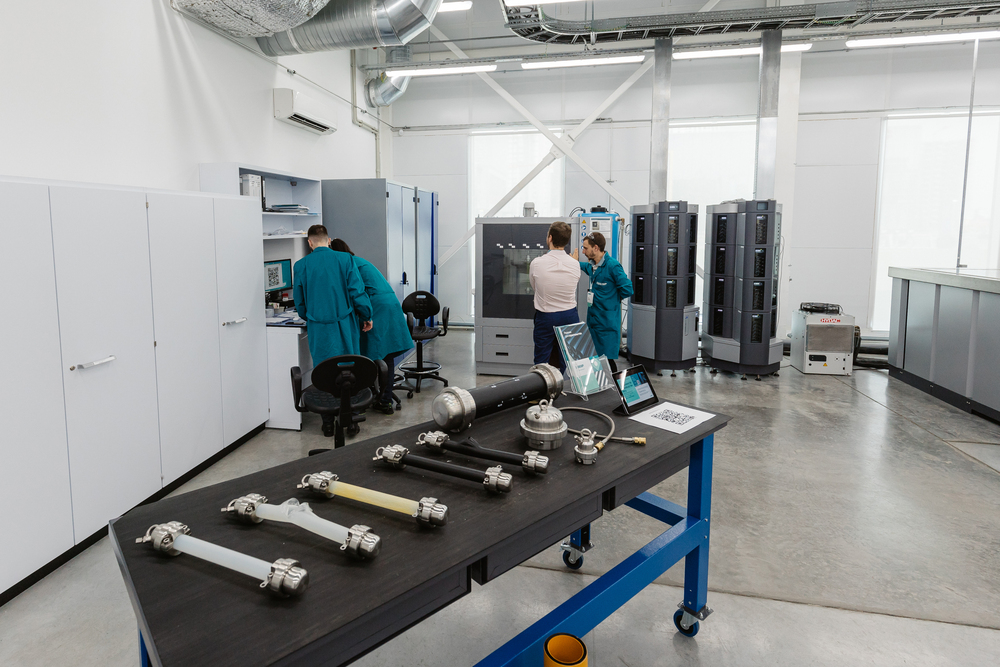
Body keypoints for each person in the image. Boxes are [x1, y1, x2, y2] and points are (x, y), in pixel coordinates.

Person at [329, 238, 413, 414]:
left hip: (377, 307)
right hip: (390, 304)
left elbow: (355, 293)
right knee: (386, 354)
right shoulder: (359, 261)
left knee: (366, 355)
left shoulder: (347, 265)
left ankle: (364, 400)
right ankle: (385, 400)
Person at [293, 225, 373, 365]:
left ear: (310, 242)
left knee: (324, 368)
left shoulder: (300, 265)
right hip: (345, 323)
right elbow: (357, 292)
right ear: (329, 240)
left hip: (317, 326)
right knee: (349, 365)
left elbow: (299, 301)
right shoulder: (345, 259)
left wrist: (310, 316)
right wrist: (367, 315)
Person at [572, 232, 633, 372]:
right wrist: (573, 262)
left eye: (585, 248)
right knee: (596, 360)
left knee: (607, 362)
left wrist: (612, 301)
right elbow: (584, 267)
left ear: (596, 248)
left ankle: (614, 385)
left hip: (606, 323)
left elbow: (628, 289)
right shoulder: (593, 266)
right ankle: (601, 384)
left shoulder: (612, 266)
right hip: (594, 321)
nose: (583, 251)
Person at [528, 221, 581, 372]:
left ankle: (542, 384)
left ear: (550, 238)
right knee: (569, 361)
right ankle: (567, 385)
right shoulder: (575, 264)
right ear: (566, 241)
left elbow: (535, 287)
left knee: (542, 361)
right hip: (570, 316)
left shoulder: (537, 263)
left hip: (546, 316)